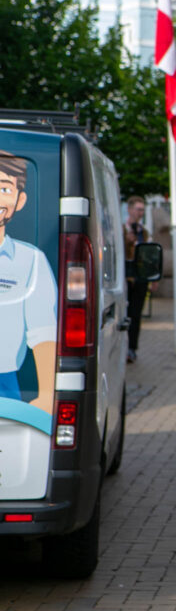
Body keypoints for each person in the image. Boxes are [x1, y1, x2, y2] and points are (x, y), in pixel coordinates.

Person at [0, 151, 56, 414]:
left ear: (20, 200)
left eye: (4, 189)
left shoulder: (30, 260)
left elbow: (43, 332)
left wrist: (47, 395)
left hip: (4, 385)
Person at [123, 195, 151, 364]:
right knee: (124, 314)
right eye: (138, 209)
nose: (140, 213)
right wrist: (125, 241)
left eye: (142, 210)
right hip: (125, 277)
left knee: (136, 314)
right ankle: (122, 347)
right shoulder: (121, 229)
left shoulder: (144, 232)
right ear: (129, 209)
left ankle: (132, 348)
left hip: (140, 277)